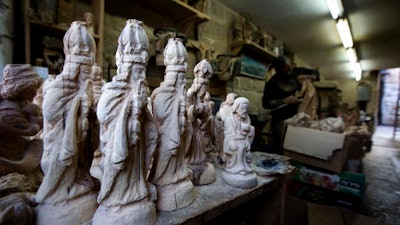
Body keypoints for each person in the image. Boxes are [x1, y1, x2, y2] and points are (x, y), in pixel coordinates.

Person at [262, 55, 302, 153]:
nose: (290, 71)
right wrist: (284, 101)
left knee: (298, 146)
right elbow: (266, 104)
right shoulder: (271, 83)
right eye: (286, 70)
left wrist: (308, 78)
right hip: (281, 120)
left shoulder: (295, 72)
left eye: (290, 68)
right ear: (279, 70)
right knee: (282, 147)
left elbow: (314, 73)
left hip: (297, 117)